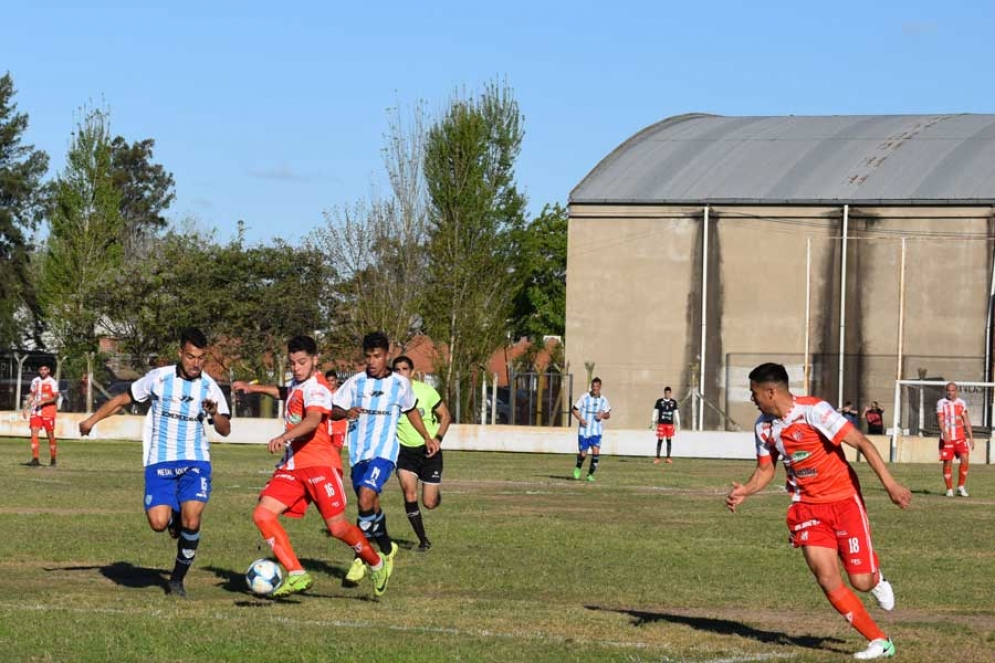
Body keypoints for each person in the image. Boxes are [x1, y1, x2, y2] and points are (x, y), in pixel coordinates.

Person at [726, 363, 911, 661]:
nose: (752, 399)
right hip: (806, 507)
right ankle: (879, 640)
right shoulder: (763, 426)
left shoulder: (814, 411)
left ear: (771, 392)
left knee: (860, 581)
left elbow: (862, 443)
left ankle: (876, 579)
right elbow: (764, 470)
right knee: (826, 578)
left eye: (755, 393)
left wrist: (891, 485)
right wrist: (745, 490)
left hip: (844, 502)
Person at [232, 336, 391, 597]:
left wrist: (284, 436)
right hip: (293, 467)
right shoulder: (298, 383)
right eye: (292, 362)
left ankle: (377, 563)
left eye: (302, 362)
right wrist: (255, 389)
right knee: (263, 515)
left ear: (315, 360)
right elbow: (286, 392)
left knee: (338, 528)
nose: (296, 368)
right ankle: (296, 573)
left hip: (320, 465)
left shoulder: (317, 388)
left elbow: (314, 418)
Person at [79, 328, 231, 598]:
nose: (196, 363)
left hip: (195, 459)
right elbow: (121, 400)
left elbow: (225, 429)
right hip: (160, 459)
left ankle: (176, 579)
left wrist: (215, 413)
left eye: (201, 358)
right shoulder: (157, 378)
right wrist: (91, 421)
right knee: (158, 523)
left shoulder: (209, 386)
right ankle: (174, 517)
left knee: (193, 520)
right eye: (191, 356)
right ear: (180, 354)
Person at [331, 332, 437, 587]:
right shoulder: (355, 383)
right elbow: (332, 411)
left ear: (386, 355)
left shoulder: (400, 385)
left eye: (377, 356)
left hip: (385, 453)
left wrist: (427, 438)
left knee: (367, 495)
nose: (372, 361)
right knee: (369, 504)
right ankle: (387, 547)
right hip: (358, 455)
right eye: (368, 356)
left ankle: (360, 558)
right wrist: (346, 412)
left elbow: (411, 411)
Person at [391, 355, 451, 552]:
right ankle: (423, 540)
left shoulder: (426, 392)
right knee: (409, 492)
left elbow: (446, 416)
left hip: (429, 451)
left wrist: (438, 439)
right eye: (397, 370)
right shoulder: (390, 395)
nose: (401, 373)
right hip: (405, 452)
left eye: (404, 369)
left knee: (429, 503)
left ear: (412, 372)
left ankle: (433, 494)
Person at [936, 381, 974, 498]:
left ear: (956, 391)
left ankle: (961, 487)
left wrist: (971, 437)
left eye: (952, 390)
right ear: (945, 391)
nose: (950, 392)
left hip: (960, 437)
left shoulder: (962, 403)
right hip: (947, 438)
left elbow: (966, 421)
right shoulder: (941, 403)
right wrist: (944, 432)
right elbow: (940, 420)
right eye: (948, 390)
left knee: (965, 459)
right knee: (948, 462)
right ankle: (949, 489)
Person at [571, 377, 611, 482]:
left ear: (600, 387)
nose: (595, 389)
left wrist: (602, 415)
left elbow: (608, 415)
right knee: (583, 453)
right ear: (591, 387)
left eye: (597, 387)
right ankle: (578, 466)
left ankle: (590, 474)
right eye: (593, 387)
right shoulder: (584, 397)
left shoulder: (604, 400)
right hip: (584, 430)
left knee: (596, 451)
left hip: (596, 431)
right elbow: (574, 409)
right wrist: (580, 419)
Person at [23, 360, 60, 467]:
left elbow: (56, 397)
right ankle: (35, 459)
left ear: (48, 370)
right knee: (34, 434)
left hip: (48, 411)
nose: (43, 371)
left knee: (50, 436)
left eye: (45, 369)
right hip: (36, 411)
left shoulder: (52, 382)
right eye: (41, 369)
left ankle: (53, 458)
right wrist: (25, 408)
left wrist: (45, 401)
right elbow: (32, 395)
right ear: (39, 370)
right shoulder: (35, 381)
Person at [651, 386, 679, 464]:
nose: (667, 394)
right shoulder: (659, 401)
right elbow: (655, 411)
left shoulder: (673, 402)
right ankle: (657, 458)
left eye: (669, 393)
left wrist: (678, 423)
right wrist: (653, 422)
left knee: (669, 440)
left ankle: (668, 458)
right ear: (664, 393)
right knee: (660, 439)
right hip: (661, 424)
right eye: (666, 393)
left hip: (670, 424)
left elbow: (676, 413)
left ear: (670, 393)